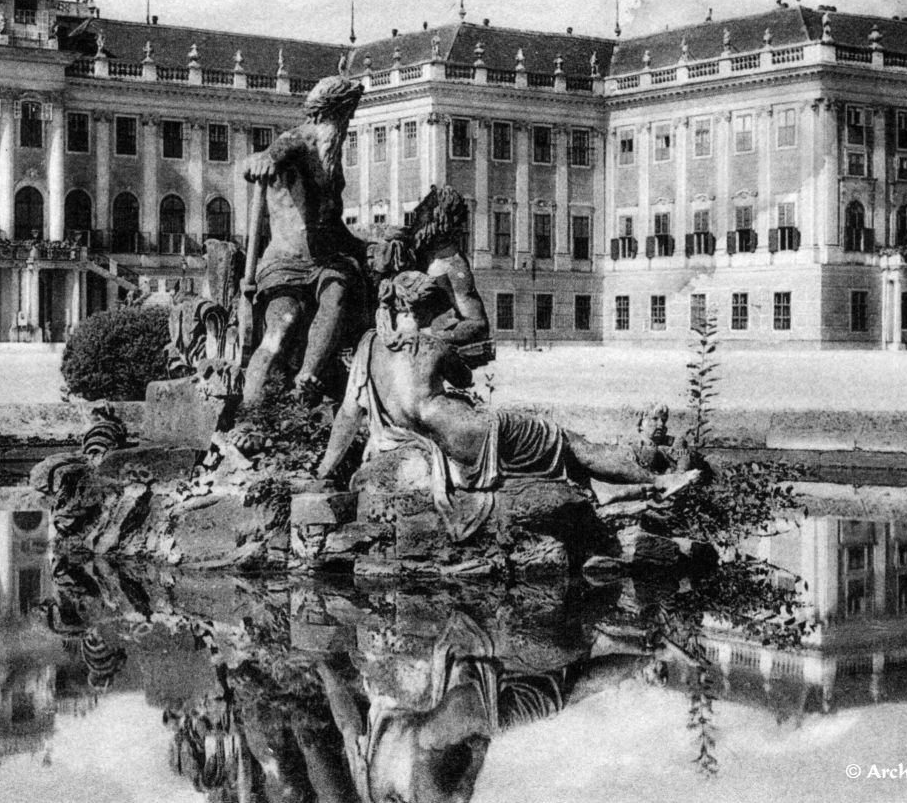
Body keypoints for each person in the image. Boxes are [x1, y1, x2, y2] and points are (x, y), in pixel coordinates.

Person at [318, 271, 699, 541]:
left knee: (565, 456)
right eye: (435, 311)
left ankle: (616, 493)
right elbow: (465, 379)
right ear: (423, 309)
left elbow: (350, 415)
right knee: (568, 442)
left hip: (411, 439)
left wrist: (325, 470)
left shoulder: (369, 345)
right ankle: (657, 482)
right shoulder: (434, 343)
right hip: (470, 434)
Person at [240, 75, 368, 403]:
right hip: (284, 263)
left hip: (324, 261)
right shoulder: (302, 139)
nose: (348, 122)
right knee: (281, 327)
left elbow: (331, 224)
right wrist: (266, 158)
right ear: (335, 113)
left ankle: (308, 376)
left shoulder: (331, 156)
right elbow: (282, 147)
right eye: (346, 115)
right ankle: (251, 407)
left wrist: (366, 246)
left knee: (338, 290)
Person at [405, 186, 491, 363]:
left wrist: (431, 336)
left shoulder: (455, 266)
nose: (416, 215)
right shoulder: (419, 254)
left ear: (440, 218)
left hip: (427, 346)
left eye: (423, 212)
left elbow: (478, 324)